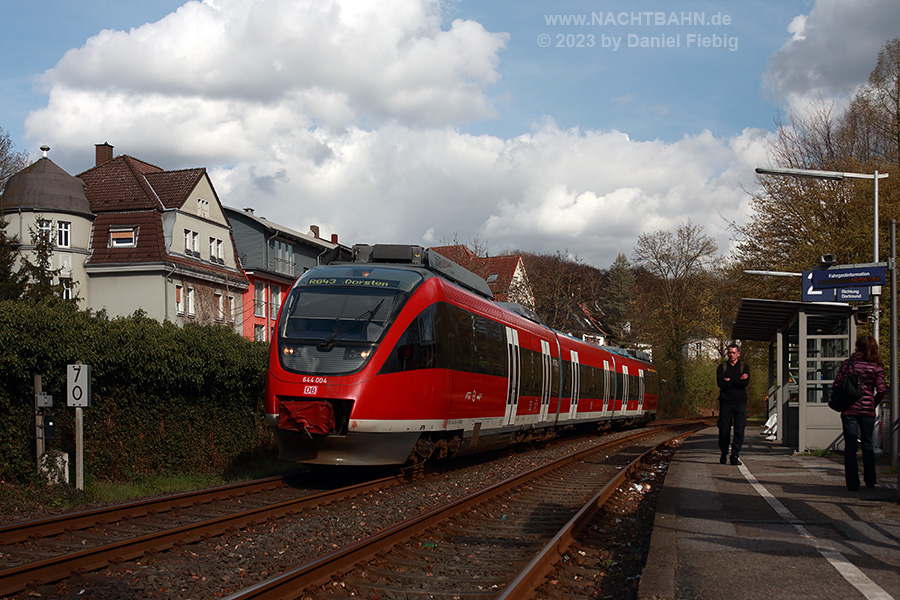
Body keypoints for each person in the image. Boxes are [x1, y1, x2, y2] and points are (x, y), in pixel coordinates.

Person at [832, 335, 886, 491]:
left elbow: (837, 384)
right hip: (867, 410)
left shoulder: (848, 364)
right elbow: (882, 390)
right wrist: (872, 403)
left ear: (857, 347)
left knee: (850, 446)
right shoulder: (876, 366)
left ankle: (853, 483)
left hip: (849, 409)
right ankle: (870, 480)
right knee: (868, 445)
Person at [716, 343, 750, 465]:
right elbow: (721, 383)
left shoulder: (744, 367)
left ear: (738, 353)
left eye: (733, 353)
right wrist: (738, 380)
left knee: (739, 429)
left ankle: (735, 455)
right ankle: (724, 452)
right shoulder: (722, 367)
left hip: (740, 403)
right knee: (724, 429)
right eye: (729, 352)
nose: (731, 355)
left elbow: (745, 384)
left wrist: (730, 380)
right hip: (725, 402)